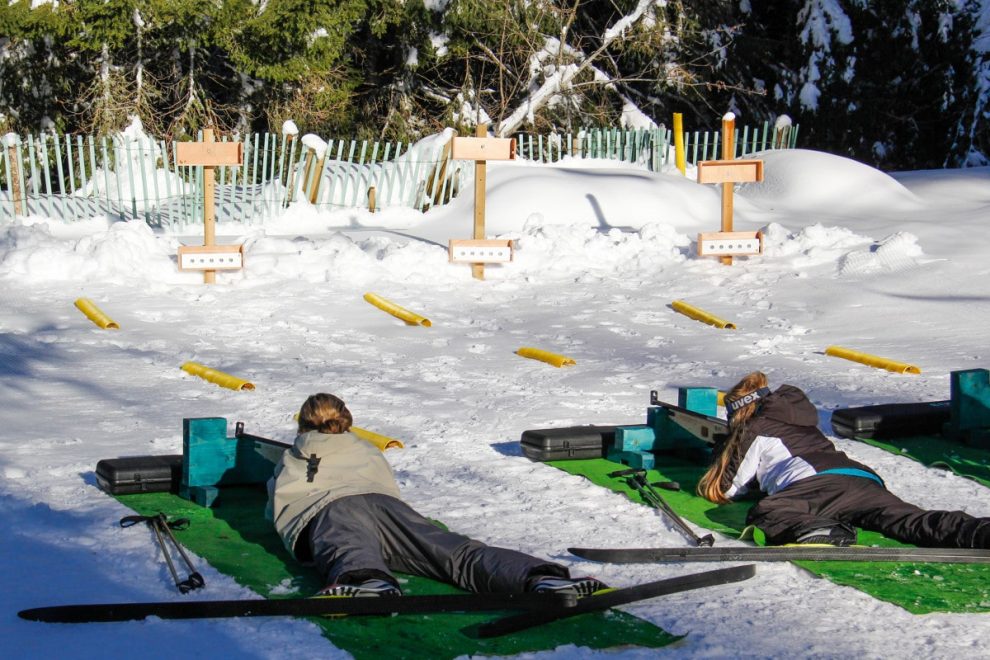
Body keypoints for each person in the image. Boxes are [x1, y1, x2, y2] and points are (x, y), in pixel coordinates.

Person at [267, 393, 607, 597]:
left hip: (332, 512)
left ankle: (366, 580)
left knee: (350, 548)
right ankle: (537, 577)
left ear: (303, 425)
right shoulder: (366, 449)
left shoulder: (294, 455)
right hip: (389, 509)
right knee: (456, 552)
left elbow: (278, 509)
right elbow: (384, 485)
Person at [696, 372, 990, 548]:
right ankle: (980, 532)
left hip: (815, 485)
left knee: (767, 511)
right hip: (862, 479)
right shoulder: (799, 419)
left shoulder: (755, 428)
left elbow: (727, 489)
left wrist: (725, 447)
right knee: (911, 521)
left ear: (740, 413)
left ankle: (822, 530)